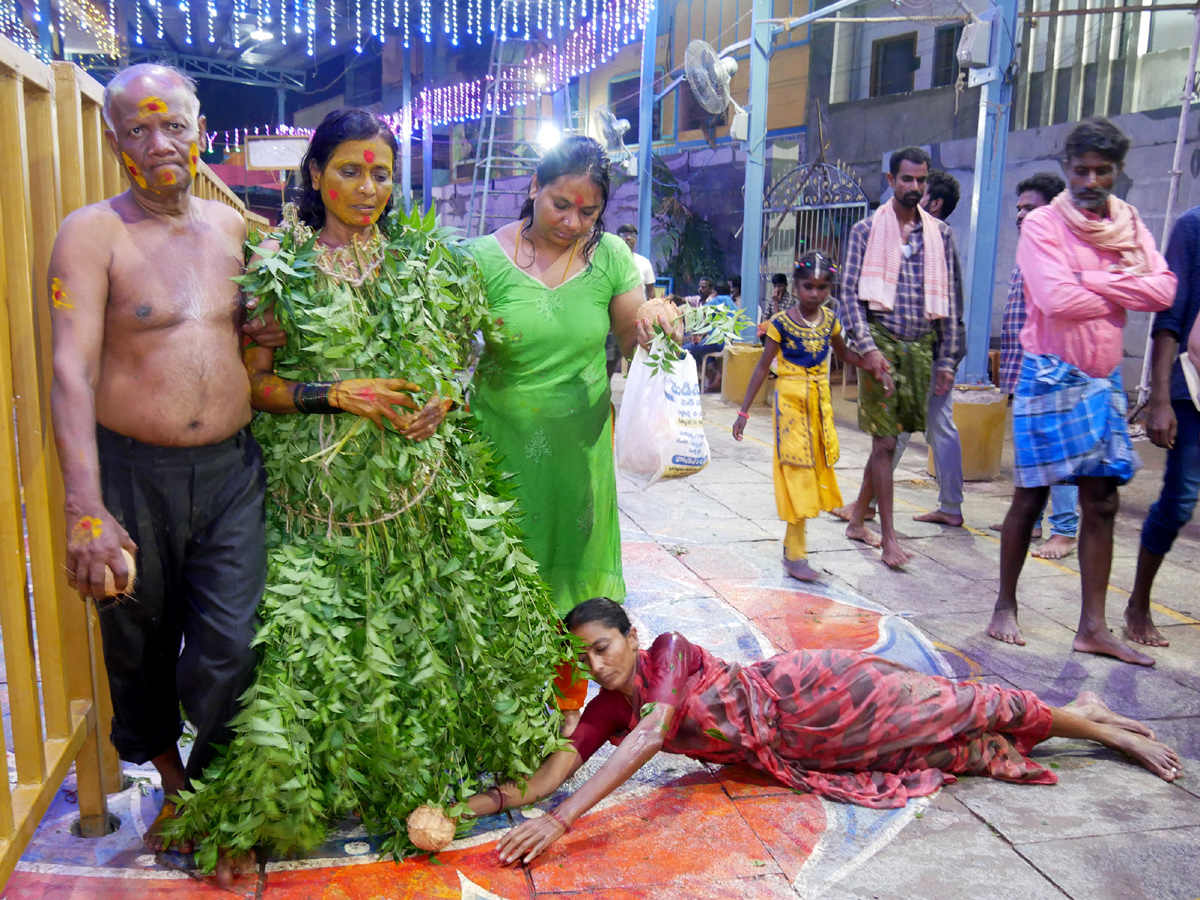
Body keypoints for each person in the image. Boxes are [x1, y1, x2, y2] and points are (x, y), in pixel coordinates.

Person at [166, 108, 573, 871]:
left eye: (381, 172)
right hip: (310, 505)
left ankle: (396, 778)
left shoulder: (422, 261)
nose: (368, 187)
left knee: (424, 650)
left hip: (415, 503)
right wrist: (335, 393)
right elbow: (256, 387)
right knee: (297, 652)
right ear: (314, 175)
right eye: (349, 170)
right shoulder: (278, 265)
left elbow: (460, 357)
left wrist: (442, 401)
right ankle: (267, 802)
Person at [47, 63, 293, 860]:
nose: (159, 143)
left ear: (199, 127)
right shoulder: (93, 233)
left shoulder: (235, 231)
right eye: (138, 129)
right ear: (114, 139)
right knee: (139, 641)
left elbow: (278, 328)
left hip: (229, 472)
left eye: (173, 125)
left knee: (232, 641)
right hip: (130, 475)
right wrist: (84, 505)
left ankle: (212, 784)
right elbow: (70, 371)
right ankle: (174, 784)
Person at [460, 598, 1180, 867]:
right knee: (948, 750)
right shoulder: (607, 709)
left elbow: (652, 739)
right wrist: (471, 809)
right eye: (583, 656)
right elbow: (553, 772)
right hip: (799, 754)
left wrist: (560, 825)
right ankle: (1081, 714)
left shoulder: (668, 653)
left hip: (815, 694)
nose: (596, 664)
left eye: (603, 647)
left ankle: (1099, 727)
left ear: (631, 636)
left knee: (956, 706)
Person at [468, 136, 677, 733]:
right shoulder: (481, 259)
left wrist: (658, 320)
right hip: (499, 455)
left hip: (580, 456)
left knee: (573, 581)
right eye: (561, 204)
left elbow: (635, 335)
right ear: (534, 186)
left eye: (588, 211)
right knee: (506, 577)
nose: (572, 222)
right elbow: (450, 352)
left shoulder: (609, 255)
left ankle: (561, 716)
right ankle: (501, 710)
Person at [987, 118, 1176, 666]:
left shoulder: (1129, 222)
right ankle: (1005, 604)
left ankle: (1092, 627)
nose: (1091, 180)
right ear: (1067, 170)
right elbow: (1054, 298)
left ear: (1117, 171)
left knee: (1103, 501)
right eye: (1081, 170)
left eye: (1103, 170)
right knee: (1032, 495)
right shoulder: (1043, 224)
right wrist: (1120, 290)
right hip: (1049, 375)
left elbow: (1162, 289)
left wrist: (1089, 281)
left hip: (1102, 380)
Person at [836, 147, 961, 569]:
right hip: (882, 342)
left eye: (921, 180)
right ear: (891, 181)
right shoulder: (866, 230)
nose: (915, 187)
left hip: (922, 347)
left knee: (894, 438)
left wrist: (947, 360)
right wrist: (867, 349)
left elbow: (952, 302)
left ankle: (857, 519)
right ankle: (888, 538)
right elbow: (849, 296)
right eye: (907, 179)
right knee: (886, 442)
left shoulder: (940, 235)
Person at [732, 252, 879, 581]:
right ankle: (796, 554)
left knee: (813, 474)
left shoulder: (830, 321)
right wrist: (744, 411)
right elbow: (760, 367)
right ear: (796, 287)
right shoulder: (780, 324)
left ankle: (791, 547)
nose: (815, 293)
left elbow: (843, 354)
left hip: (819, 407)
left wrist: (872, 363)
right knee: (796, 475)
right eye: (809, 286)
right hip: (790, 409)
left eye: (823, 287)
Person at [991, 173, 1079, 560]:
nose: (1020, 214)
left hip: (1051, 368)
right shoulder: (1030, 249)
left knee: (1054, 449)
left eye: (1030, 207)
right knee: (1030, 449)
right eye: (1019, 207)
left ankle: (1065, 529)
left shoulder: (1061, 253)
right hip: (1024, 366)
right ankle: (1036, 520)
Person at [1124, 202, 1200, 647]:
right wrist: (1160, 398)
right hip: (1191, 385)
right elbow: (1169, 320)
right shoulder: (1193, 227)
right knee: (1180, 499)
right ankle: (1139, 601)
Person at [609, 224, 658, 377]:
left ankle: (633, 399)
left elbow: (650, 292)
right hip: (610, 322)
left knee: (636, 362)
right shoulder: (609, 262)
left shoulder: (644, 263)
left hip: (637, 323)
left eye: (632, 235)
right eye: (624, 234)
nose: (628, 238)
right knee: (608, 362)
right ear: (617, 238)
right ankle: (605, 400)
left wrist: (653, 316)